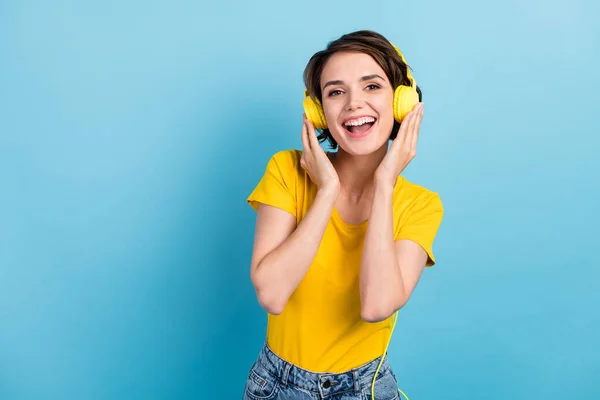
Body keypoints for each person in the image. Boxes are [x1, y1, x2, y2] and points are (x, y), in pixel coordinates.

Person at [243, 30, 444, 400]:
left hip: (363, 388)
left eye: (372, 86)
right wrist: (327, 192)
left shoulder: (420, 205)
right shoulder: (287, 171)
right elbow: (271, 294)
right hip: (276, 385)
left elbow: (376, 306)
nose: (354, 103)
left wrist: (385, 183)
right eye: (336, 92)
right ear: (318, 112)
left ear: (402, 101)